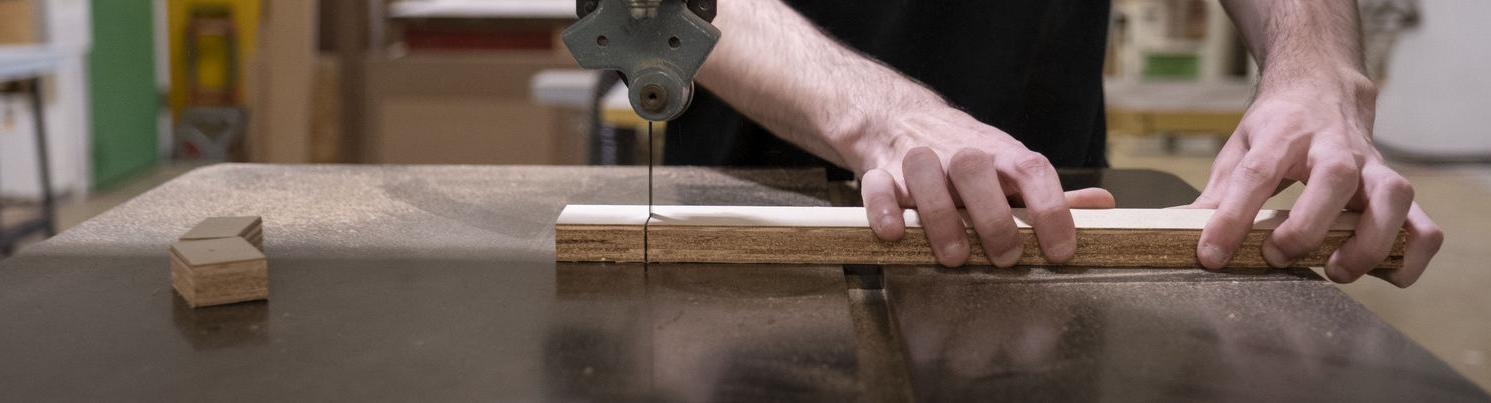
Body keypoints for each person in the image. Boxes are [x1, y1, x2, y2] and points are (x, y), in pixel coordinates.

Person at [665, 0, 1441, 287]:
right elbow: (656, 9)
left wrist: (1313, 64)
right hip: (760, 196)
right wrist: (877, 116)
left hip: (1061, 217)